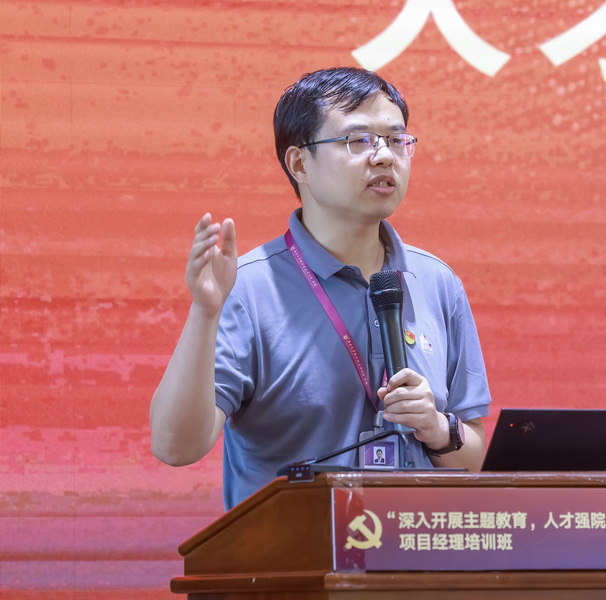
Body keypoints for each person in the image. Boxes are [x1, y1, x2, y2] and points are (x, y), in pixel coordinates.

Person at [149, 67, 492, 510]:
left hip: (412, 547)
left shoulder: (437, 282)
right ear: (299, 164)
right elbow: (176, 447)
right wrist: (205, 312)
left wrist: (438, 429)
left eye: (396, 140)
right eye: (358, 140)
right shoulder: (248, 288)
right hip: (294, 549)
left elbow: (474, 458)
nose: (384, 157)